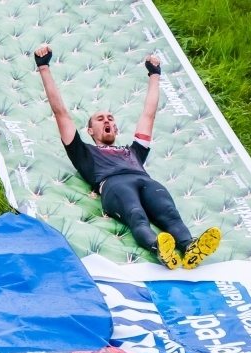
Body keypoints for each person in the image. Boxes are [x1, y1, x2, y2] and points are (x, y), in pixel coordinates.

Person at [33, 45, 221, 270]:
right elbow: (60, 112)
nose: (107, 121)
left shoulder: (134, 151)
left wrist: (154, 74)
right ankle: (159, 249)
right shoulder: (83, 151)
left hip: (144, 180)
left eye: (110, 118)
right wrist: (43, 67)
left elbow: (148, 113)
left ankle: (190, 247)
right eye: (100, 119)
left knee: (170, 215)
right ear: (90, 131)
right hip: (113, 184)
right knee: (137, 216)